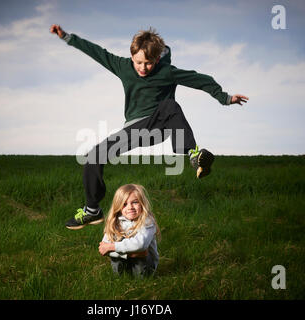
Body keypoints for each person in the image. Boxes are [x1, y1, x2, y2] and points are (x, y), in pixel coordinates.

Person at [49, 25, 249, 230]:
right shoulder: (123, 66)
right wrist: (66, 37)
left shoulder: (167, 72)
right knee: (94, 155)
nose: (143, 68)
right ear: (132, 55)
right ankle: (92, 210)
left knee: (170, 105)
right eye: (139, 62)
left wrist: (225, 98)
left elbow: (200, 79)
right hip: (134, 129)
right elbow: (98, 52)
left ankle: (192, 154)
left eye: (149, 63)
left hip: (160, 124)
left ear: (157, 60)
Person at [98, 184, 160, 278]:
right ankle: (120, 278)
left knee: (137, 252)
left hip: (144, 266)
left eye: (135, 202)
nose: (130, 207)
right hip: (125, 261)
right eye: (124, 204)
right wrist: (130, 254)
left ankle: (142, 279)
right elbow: (103, 248)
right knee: (118, 253)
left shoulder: (147, 221)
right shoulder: (115, 221)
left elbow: (140, 244)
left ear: (142, 203)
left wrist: (112, 247)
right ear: (118, 206)